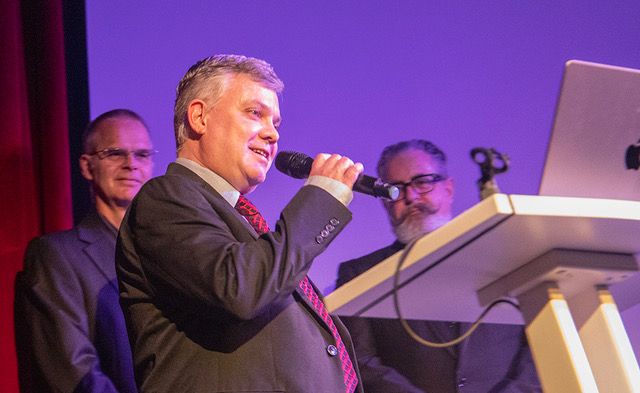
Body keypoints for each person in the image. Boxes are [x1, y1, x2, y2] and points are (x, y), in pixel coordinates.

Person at [115, 54, 364, 392]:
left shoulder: (241, 222)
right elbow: (239, 289)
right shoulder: (164, 199)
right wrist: (319, 202)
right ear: (199, 117)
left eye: (276, 122)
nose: (272, 134)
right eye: (255, 113)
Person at [336, 139, 541, 393]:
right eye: (396, 189)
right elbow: (362, 363)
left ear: (449, 188)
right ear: (385, 202)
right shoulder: (358, 275)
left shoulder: (509, 258)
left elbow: (539, 343)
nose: (410, 197)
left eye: (422, 182)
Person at [14, 109, 155, 393]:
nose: (131, 164)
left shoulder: (165, 254)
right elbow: (73, 373)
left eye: (142, 155)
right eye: (115, 153)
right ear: (87, 166)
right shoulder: (55, 257)